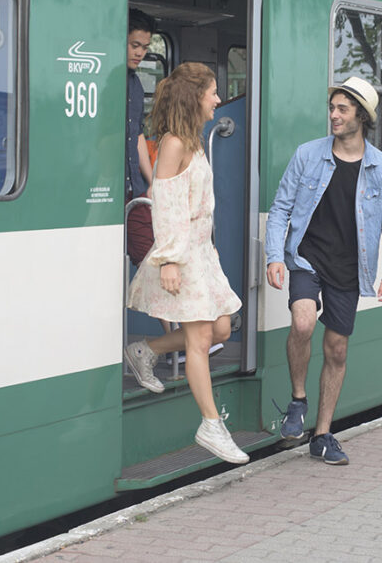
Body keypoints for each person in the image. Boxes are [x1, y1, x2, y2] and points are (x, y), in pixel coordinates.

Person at [264, 76, 382, 465]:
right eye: (332, 108)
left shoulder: (381, 169)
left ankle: (322, 435)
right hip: (308, 258)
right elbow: (280, 209)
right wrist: (275, 256)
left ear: (362, 115)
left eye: (343, 109)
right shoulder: (308, 155)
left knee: (337, 350)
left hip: (351, 266)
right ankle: (297, 400)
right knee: (304, 323)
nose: (334, 115)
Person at [124, 62, 248, 465]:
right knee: (198, 340)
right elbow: (165, 205)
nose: (217, 99)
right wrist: (171, 260)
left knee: (222, 328)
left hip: (200, 253)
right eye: (213, 92)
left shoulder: (192, 141)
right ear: (195, 96)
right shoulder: (175, 143)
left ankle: (146, 350)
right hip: (183, 254)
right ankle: (211, 425)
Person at [126, 8, 155, 200]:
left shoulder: (136, 85)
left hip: (134, 187)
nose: (139, 53)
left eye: (145, 48)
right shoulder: (105, 81)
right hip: (108, 186)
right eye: (135, 45)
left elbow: (137, 135)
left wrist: (152, 182)